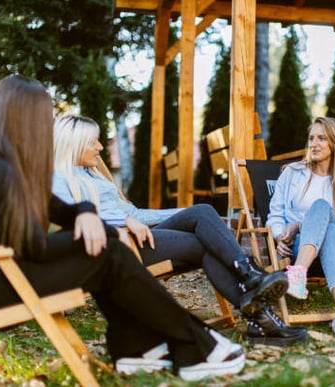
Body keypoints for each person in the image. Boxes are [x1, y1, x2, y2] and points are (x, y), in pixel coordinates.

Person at [0, 74, 246, 382]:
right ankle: (195, 343)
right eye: (44, 119)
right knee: (107, 250)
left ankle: (137, 347)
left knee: (105, 248)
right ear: (26, 120)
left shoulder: (2, 164)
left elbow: (60, 209)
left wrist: (87, 213)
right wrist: (105, 232)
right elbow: (31, 246)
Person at [51, 115, 308, 347]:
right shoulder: (59, 178)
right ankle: (257, 303)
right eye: (93, 142)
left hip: (139, 237)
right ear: (72, 144)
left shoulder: (93, 175)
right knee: (203, 242)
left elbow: (138, 215)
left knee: (203, 212)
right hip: (121, 247)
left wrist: (185, 213)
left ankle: (253, 290)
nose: (99, 148)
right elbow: (74, 217)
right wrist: (124, 220)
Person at [266, 117, 335, 341]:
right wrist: (280, 236)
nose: (314, 144)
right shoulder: (292, 172)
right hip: (300, 246)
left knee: (322, 210)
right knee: (327, 230)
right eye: (311, 138)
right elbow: (275, 214)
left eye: (321, 138)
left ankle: (298, 273)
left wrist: (299, 225)